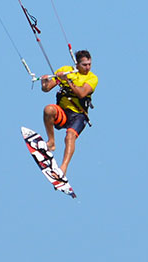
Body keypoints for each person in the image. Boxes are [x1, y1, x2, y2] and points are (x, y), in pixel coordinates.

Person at [40, 50, 97, 178]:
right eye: (84, 65)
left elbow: (82, 93)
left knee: (70, 136)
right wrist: (44, 82)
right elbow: (47, 88)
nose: (88, 67)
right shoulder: (65, 70)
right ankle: (51, 142)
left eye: (89, 64)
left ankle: (63, 168)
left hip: (79, 115)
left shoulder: (92, 78)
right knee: (48, 109)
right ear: (77, 64)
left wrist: (68, 81)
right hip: (63, 114)